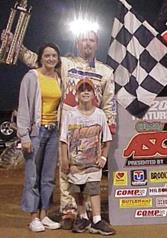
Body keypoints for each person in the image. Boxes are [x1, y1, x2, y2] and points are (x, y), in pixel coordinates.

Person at [7, 30, 116, 229]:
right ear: (77, 43)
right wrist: (16, 43)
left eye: (91, 40)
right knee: (66, 170)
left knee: (90, 172)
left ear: (97, 44)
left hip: (91, 129)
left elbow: (109, 103)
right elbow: (35, 60)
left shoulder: (106, 71)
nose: (87, 44)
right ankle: (69, 212)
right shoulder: (65, 63)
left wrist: (109, 126)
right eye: (83, 40)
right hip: (65, 127)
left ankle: (90, 213)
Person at [60, 78, 115, 235]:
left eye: (88, 89)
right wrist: (64, 159)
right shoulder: (71, 115)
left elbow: (107, 139)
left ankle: (96, 220)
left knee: (93, 190)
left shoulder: (100, 114)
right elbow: (64, 139)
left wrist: (103, 157)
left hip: (93, 164)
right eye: (82, 89)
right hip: (75, 163)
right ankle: (83, 217)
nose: (85, 92)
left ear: (93, 93)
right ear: (77, 94)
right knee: (77, 190)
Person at [17, 42, 62, 232]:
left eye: (54, 55)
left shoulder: (59, 78)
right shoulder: (32, 77)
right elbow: (24, 107)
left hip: (54, 132)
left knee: (48, 177)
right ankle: (33, 216)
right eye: (47, 56)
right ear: (40, 58)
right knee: (32, 176)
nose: (51, 58)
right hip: (36, 132)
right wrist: (24, 136)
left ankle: (44, 215)